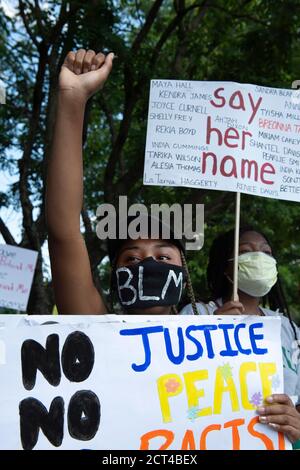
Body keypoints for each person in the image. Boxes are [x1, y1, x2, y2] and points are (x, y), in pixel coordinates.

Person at [46, 49, 198, 316]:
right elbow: (64, 233)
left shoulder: (220, 338)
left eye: (163, 257)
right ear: (115, 277)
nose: (148, 263)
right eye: (131, 259)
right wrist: (73, 101)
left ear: (184, 274)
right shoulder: (96, 326)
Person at [181, 227, 300, 444]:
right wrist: (212, 334)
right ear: (226, 267)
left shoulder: (287, 328)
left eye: (267, 253)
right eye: (247, 251)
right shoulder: (198, 314)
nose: (260, 258)